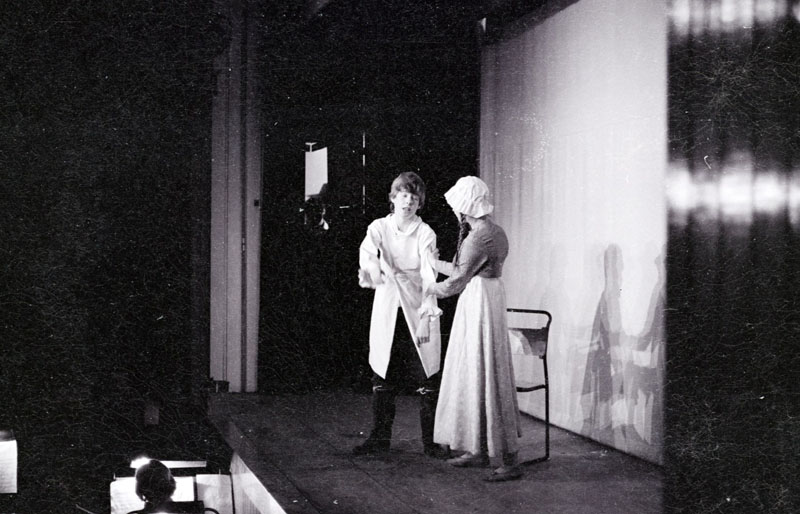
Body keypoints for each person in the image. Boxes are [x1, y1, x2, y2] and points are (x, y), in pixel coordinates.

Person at [426, 175, 523, 482]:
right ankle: (478, 448)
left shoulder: (477, 237)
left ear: (464, 206)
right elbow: (464, 269)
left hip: (479, 301)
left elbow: (457, 281)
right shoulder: (494, 231)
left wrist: (427, 287)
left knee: (484, 371)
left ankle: (508, 460)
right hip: (486, 298)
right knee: (477, 372)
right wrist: (434, 263)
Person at [353, 171, 448, 459]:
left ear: (420, 203)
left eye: (414, 198)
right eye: (403, 195)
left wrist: (426, 317)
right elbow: (367, 254)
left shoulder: (425, 232)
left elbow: (429, 274)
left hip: (416, 302)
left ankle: (432, 442)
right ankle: (379, 439)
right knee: (383, 372)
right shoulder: (379, 227)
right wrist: (379, 271)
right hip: (387, 303)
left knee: (427, 374)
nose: (408, 202)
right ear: (393, 198)